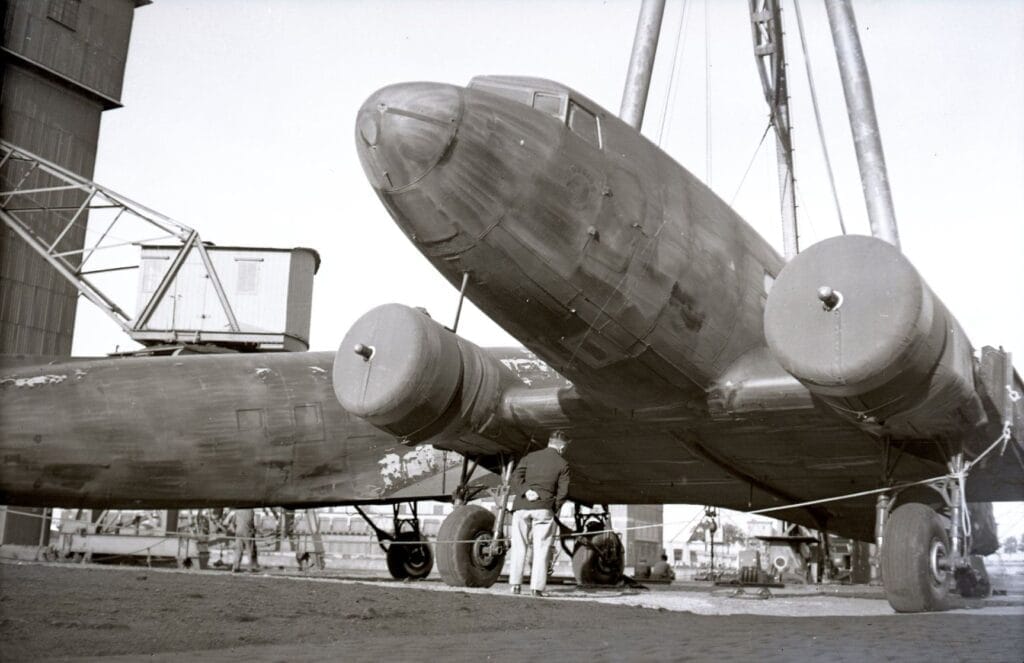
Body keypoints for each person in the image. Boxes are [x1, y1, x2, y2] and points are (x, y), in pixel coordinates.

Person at [509, 430, 571, 597]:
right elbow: (563, 492)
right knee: (541, 548)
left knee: (519, 547)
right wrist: (553, 507)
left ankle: (515, 585)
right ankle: (536, 589)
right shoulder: (562, 463)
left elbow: (515, 477)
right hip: (544, 508)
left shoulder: (530, 457)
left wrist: (526, 491)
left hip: (522, 507)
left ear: (549, 442)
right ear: (562, 446)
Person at [232, 508, 260, 573]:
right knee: (249, 550)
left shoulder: (237, 510)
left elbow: (233, 522)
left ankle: (236, 567)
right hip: (247, 532)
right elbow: (253, 523)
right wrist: (253, 530)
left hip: (238, 531)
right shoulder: (251, 511)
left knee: (238, 550)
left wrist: (236, 528)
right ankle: (250, 567)